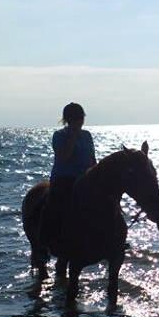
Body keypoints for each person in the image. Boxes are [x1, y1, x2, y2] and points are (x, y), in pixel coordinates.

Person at [39, 102, 97, 251]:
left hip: (85, 179)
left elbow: (92, 158)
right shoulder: (59, 135)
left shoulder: (87, 135)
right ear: (68, 120)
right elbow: (64, 157)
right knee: (54, 206)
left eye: (81, 118)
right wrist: (72, 136)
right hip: (64, 179)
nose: (79, 121)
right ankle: (44, 242)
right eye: (76, 118)